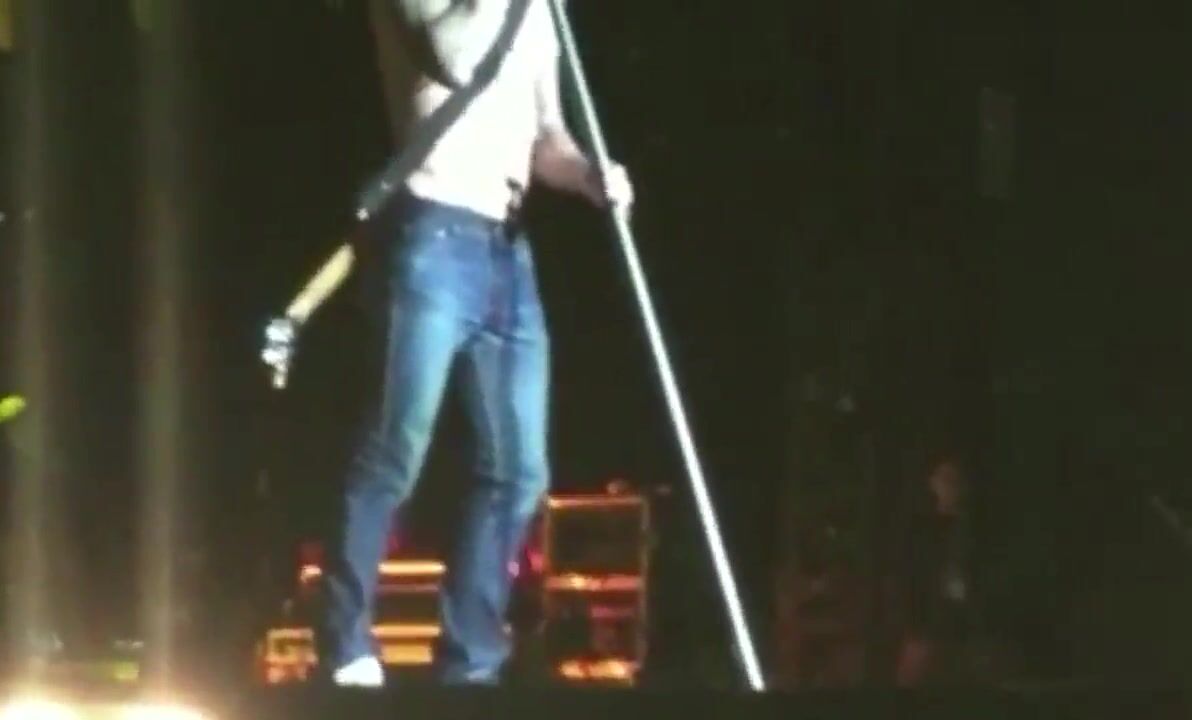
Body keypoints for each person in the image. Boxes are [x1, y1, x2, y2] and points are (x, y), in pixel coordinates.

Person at [272, 0, 634, 688]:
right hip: (433, 232)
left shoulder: (539, 13)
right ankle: (345, 644)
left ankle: (471, 659)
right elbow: (457, 56)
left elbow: (547, 137)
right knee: (395, 449)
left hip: (508, 248)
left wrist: (591, 176)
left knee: (519, 469)